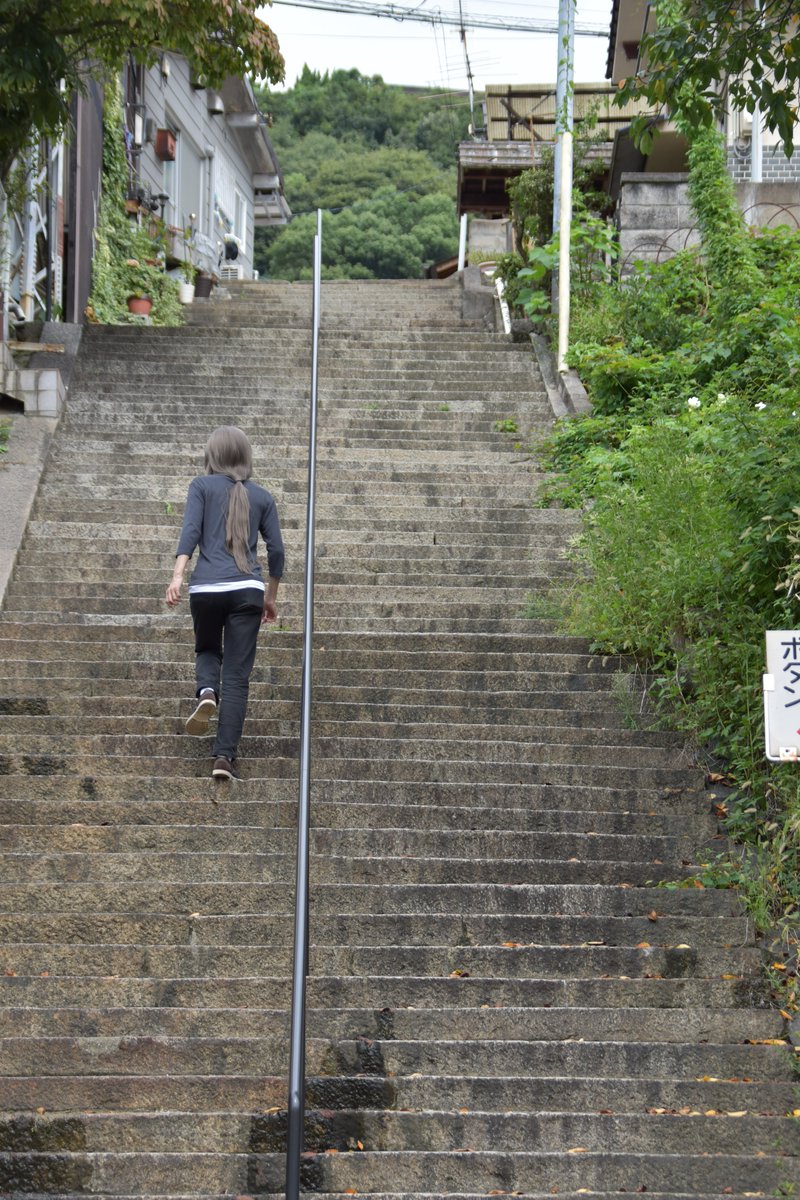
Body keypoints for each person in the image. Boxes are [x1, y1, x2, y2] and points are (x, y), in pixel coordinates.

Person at [165, 426, 285, 779]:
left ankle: (206, 691)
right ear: (245, 457)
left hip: (206, 587)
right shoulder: (262, 497)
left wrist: (177, 576)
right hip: (248, 589)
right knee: (236, 676)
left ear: (212, 456)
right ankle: (223, 758)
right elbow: (277, 551)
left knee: (207, 648)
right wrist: (270, 596)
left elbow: (190, 531)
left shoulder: (201, 487)